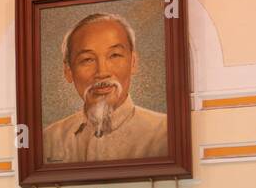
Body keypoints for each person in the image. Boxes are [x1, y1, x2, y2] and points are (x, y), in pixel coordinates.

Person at [43, 13, 167, 164]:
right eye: (87, 59)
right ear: (68, 71)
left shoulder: (164, 133)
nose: (102, 73)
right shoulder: (49, 139)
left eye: (114, 55)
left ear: (133, 63)